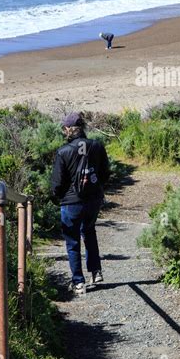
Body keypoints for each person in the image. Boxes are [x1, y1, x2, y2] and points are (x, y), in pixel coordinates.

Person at [51, 112, 110, 294]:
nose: (64, 131)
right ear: (82, 128)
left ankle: (78, 282)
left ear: (69, 129)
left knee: (72, 241)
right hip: (93, 200)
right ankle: (96, 272)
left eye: (65, 128)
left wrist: (59, 197)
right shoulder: (97, 146)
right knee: (89, 231)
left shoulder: (63, 152)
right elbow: (105, 173)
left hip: (71, 202)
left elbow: (57, 183)